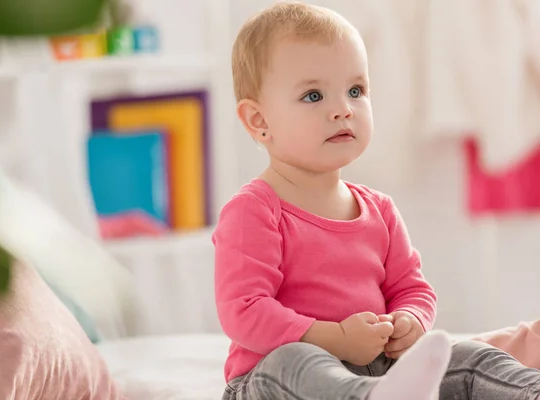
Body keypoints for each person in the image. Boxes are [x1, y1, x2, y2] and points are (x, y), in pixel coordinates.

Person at [212, 2, 540, 399]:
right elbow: (243, 310)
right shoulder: (255, 210)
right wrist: (334, 339)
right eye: (313, 95)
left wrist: (410, 320)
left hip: (382, 369)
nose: (342, 110)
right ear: (259, 121)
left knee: (468, 355)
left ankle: (527, 389)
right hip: (272, 379)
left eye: (356, 90)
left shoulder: (379, 210)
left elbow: (412, 288)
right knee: (295, 362)